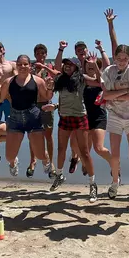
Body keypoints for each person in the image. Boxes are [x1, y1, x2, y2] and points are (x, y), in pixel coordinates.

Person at [42, 51, 101, 203]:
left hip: (80, 117)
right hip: (64, 117)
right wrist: (49, 91)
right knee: (61, 148)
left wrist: (94, 64)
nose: (67, 67)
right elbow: (51, 88)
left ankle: (93, 184)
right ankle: (60, 175)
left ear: (76, 67)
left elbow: (99, 82)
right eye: (65, 64)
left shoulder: (82, 79)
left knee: (84, 152)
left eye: (70, 65)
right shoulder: (60, 79)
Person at [0, 54, 53, 176]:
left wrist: (50, 87)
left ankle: (46, 160)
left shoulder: (37, 80)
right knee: (9, 156)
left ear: (30, 66)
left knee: (40, 155)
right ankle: (14, 162)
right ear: (16, 66)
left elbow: (46, 96)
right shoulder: (8, 81)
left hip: (33, 117)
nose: (22, 66)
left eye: (25, 64)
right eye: (19, 64)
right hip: (15, 118)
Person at [102, 44, 129, 206]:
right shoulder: (109, 71)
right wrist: (125, 92)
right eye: (119, 58)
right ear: (114, 58)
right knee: (115, 155)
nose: (121, 61)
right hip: (114, 116)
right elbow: (105, 95)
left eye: (125, 59)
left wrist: (116, 96)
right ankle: (115, 181)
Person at [54, 40, 89, 173]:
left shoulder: (90, 62)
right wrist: (61, 49)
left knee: (83, 142)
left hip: (86, 106)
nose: (81, 51)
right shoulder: (72, 64)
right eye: (78, 49)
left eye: (83, 48)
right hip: (70, 108)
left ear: (87, 49)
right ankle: (75, 158)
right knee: (73, 141)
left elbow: (100, 79)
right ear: (75, 51)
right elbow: (58, 69)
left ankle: (83, 161)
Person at [26, 44, 56, 179]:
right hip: (31, 105)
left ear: (46, 54)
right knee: (32, 136)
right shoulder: (29, 68)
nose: (41, 55)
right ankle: (33, 161)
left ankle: (52, 163)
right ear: (35, 55)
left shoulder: (50, 68)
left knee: (48, 136)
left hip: (46, 104)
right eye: (38, 53)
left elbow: (55, 83)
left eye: (43, 53)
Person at [0, 41, 17, 167]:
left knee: (11, 128)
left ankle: (12, 158)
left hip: (8, 100)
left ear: (4, 50)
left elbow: (18, 80)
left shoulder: (11, 64)